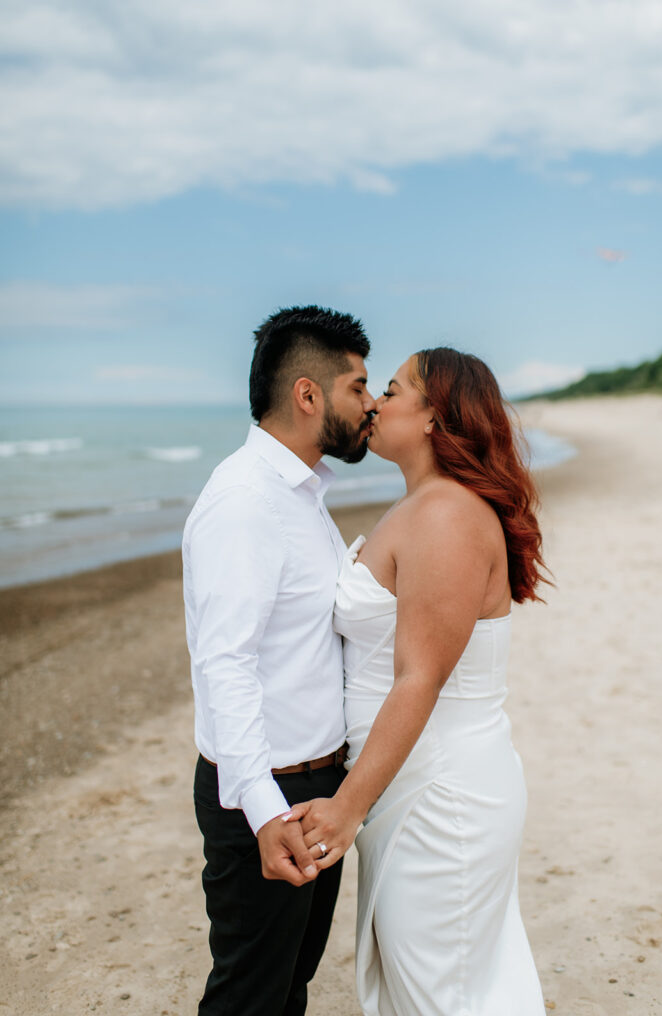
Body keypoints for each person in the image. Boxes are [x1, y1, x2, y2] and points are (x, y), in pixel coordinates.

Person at [289, 347, 548, 1015]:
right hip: (410, 783)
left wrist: (344, 809)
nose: (373, 402)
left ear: (436, 415)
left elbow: (420, 678)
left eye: (394, 390)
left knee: (445, 990)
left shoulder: (445, 515)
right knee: (434, 980)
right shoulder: (424, 505)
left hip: (442, 795)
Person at [182, 305, 376, 1016]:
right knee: (249, 999)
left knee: (286, 988)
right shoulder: (245, 502)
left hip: (317, 789)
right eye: (358, 387)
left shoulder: (301, 495)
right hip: (267, 796)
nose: (371, 404)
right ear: (308, 394)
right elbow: (223, 663)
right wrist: (267, 814)